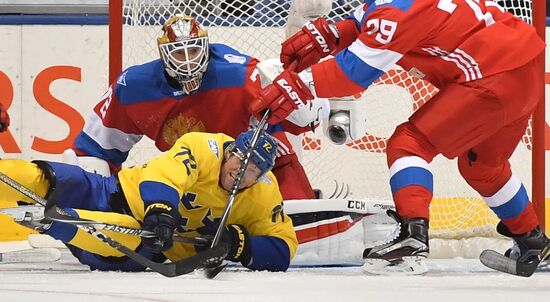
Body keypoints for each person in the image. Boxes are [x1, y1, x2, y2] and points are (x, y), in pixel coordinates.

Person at [249, 0, 548, 273]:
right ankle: (534, 240)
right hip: (525, 66)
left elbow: (351, 74)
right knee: (483, 167)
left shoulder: (396, 14)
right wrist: (333, 33)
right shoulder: (392, 6)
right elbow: (363, 21)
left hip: (492, 74)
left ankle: (413, 239)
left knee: (409, 144)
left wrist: (295, 85)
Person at [69, 14, 318, 201]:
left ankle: (295, 205)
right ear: (163, 54)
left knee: (274, 148)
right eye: (179, 54)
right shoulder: (134, 87)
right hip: (191, 179)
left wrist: (307, 102)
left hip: (250, 169)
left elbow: (301, 119)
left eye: (194, 50)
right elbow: (95, 149)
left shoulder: (239, 74)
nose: (188, 62)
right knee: (84, 166)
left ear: (206, 46)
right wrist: (101, 202)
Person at [0, 130, 297, 272]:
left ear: (262, 176)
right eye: (242, 160)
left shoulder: (264, 193)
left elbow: (283, 248)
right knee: (50, 179)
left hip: (146, 247)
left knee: (129, 232)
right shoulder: (205, 147)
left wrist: (237, 244)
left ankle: (51, 221)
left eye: (254, 170)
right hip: (112, 191)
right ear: (231, 150)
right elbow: (166, 174)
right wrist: (161, 208)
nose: (242, 171)